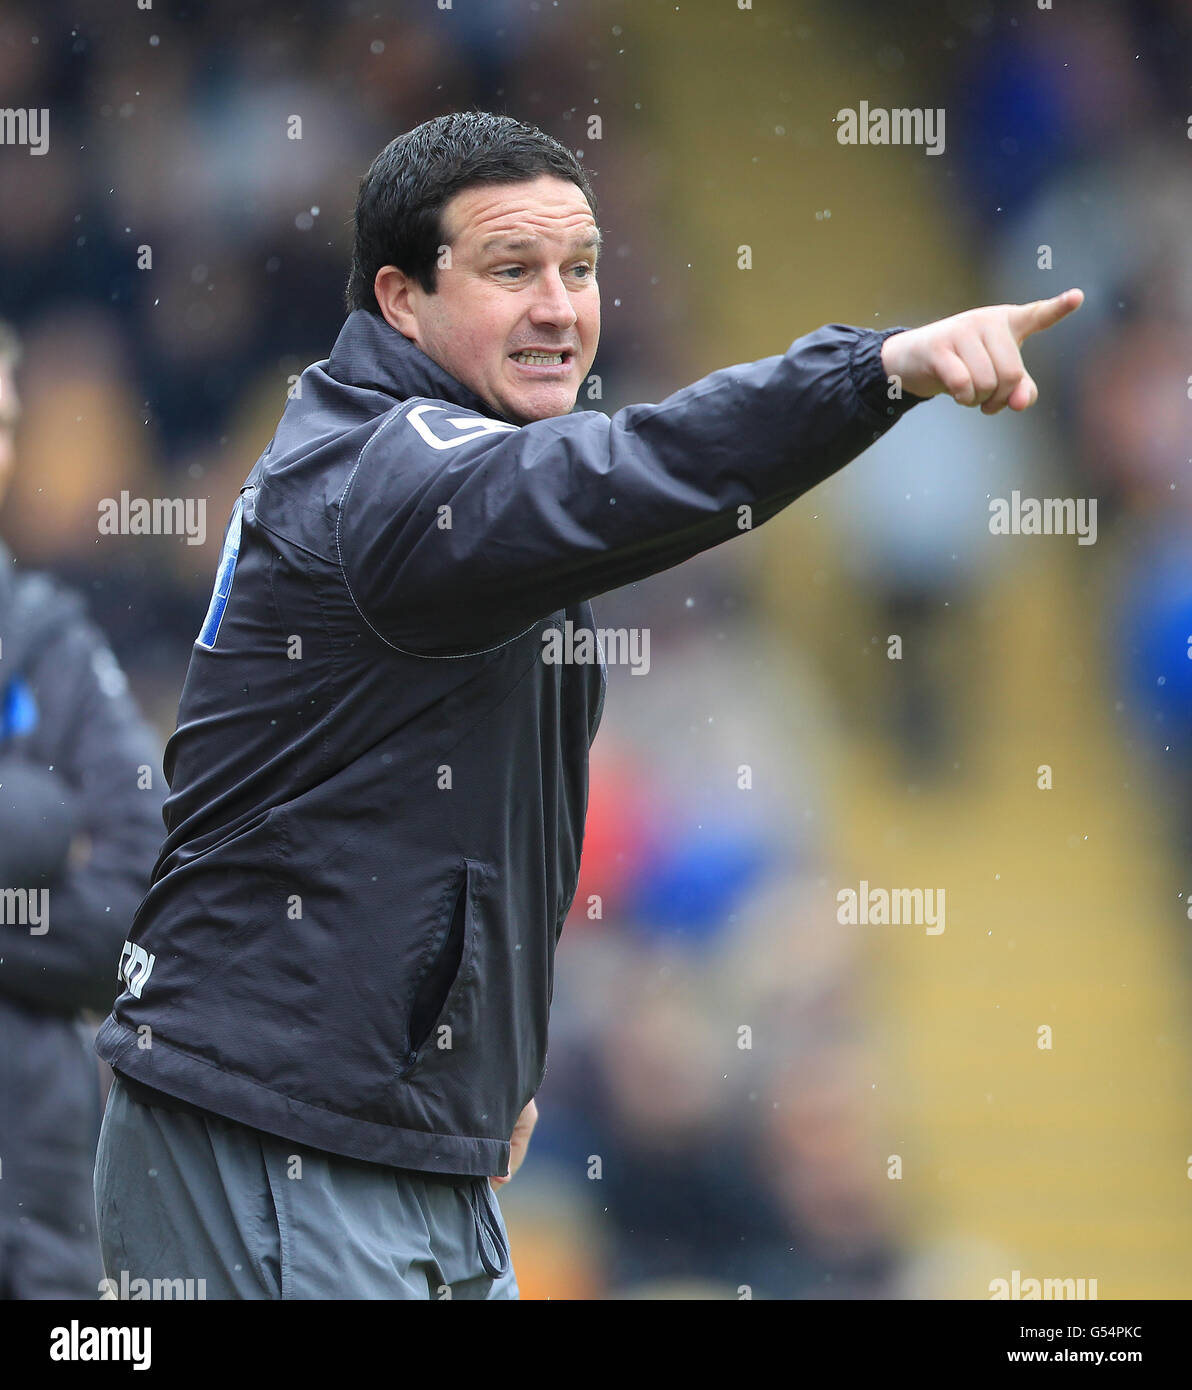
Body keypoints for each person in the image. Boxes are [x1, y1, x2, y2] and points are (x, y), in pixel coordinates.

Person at [92, 110, 1083, 1300]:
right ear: (400, 300)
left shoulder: (444, 469)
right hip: (275, 1136)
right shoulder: (395, 473)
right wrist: (874, 372)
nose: (561, 306)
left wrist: (486, 1069)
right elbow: (637, 473)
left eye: (581, 268)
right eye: (512, 270)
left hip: (388, 1137)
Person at [0, 320, 165, 1299]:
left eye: (6, 423)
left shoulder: (43, 631)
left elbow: (137, 911)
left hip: (36, 1240)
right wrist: (36, 819)